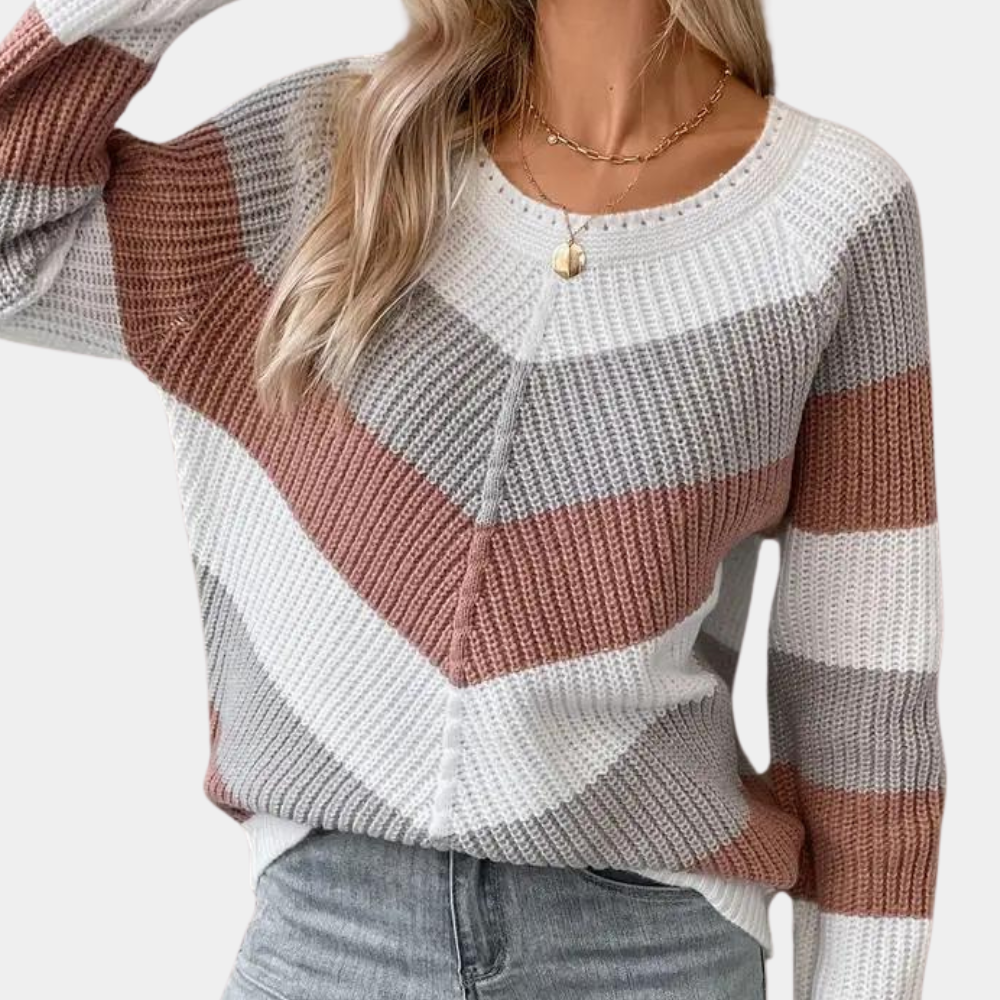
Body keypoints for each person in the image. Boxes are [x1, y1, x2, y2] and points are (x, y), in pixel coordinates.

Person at [0, 1, 946, 998]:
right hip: (328, 940)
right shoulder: (334, 148)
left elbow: (863, 696)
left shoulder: (830, 212)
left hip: (651, 952)